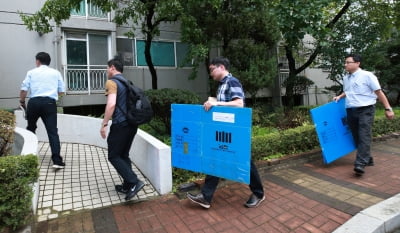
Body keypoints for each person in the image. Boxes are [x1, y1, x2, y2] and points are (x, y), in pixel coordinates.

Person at [187, 56, 265, 209]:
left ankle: (259, 193)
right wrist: (213, 101)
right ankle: (205, 197)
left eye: (211, 69)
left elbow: (239, 104)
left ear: (221, 67)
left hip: (235, 132)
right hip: (224, 130)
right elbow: (225, 104)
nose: (211, 73)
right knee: (215, 158)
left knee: (244, 162)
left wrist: (216, 103)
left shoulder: (232, 82)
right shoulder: (222, 85)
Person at [333, 53, 395, 175]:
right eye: (345, 62)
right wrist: (340, 96)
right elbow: (349, 91)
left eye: (348, 62)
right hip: (351, 110)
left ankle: (360, 163)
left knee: (364, 135)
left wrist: (388, 109)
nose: (345, 65)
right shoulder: (346, 78)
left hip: (366, 110)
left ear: (357, 63)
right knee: (356, 137)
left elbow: (379, 92)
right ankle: (368, 158)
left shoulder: (367, 76)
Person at [100, 57, 145, 201]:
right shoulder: (127, 83)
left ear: (112, 67)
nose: (107, 71)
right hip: (132, 124)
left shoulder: (112, 82)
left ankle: (134, 182)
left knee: (113, 155)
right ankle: (127, 185)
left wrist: (104, 124)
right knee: (123, 155)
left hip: (120, 124)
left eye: (107, 68)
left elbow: (111, 104)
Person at [20, 52, 66, 169]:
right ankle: (57, 161)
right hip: (49, 103)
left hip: (34, 103)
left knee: (30, 129)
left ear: (38, 61)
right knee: (52, 132)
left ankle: (29, 159)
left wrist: (21, 101)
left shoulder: (31, 72)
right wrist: (50, 94)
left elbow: (24, 89)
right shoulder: (55, 73)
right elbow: (61, 91)